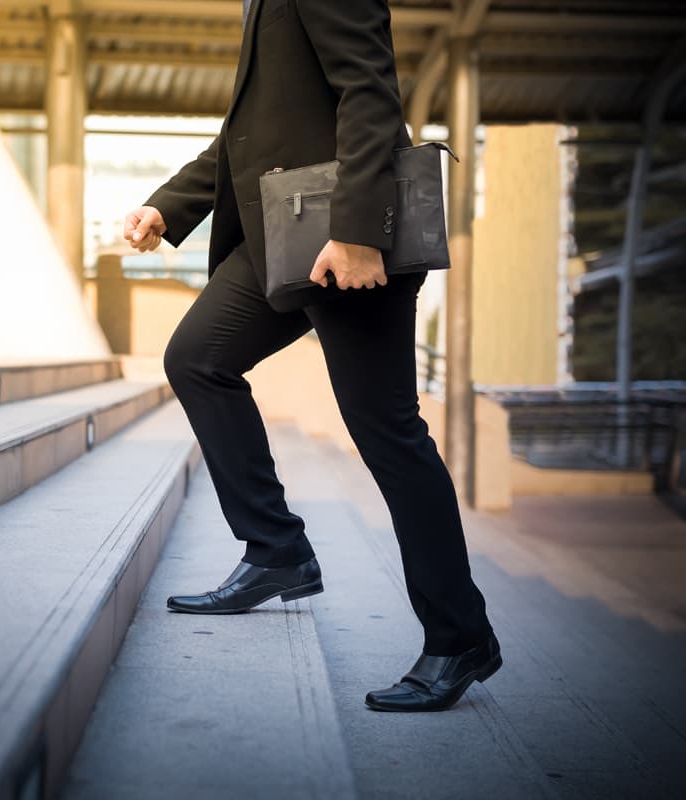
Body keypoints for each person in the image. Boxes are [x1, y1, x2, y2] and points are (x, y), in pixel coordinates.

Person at [121, 0, 500, 712]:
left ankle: (459, 637)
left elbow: (371, 93)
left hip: (350, 241)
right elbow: (251, 133)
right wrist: (171, 204)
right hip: (283, 232)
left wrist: (358, 230)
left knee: (387, 431)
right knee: (198, 357)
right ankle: (275, 550)